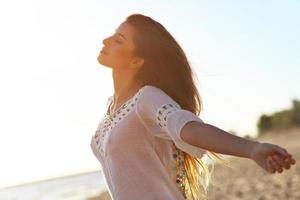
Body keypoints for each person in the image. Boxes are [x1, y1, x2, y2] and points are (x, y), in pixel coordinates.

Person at [90, 13, 296, 200]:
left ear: (135, 61)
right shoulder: (111, 110)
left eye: (118, 40)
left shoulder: (147, 98)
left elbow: (190, 129)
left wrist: (253, 148)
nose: (105, 41)